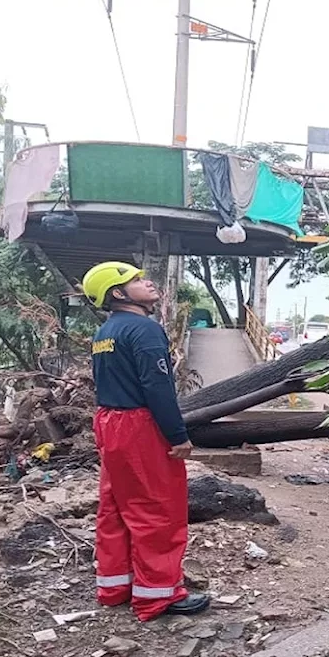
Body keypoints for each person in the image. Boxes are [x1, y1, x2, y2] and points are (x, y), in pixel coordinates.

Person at [81, 261, 210, 621]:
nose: (147, 282)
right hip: (139, 425)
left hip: (109, 422)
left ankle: (114, 587)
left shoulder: (105, 332)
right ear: (119, 294)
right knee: (157, 510)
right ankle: (158, 596)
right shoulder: (144, 329)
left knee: (116, 508)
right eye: (135, 280)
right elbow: (158, 387)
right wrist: (178, 436)